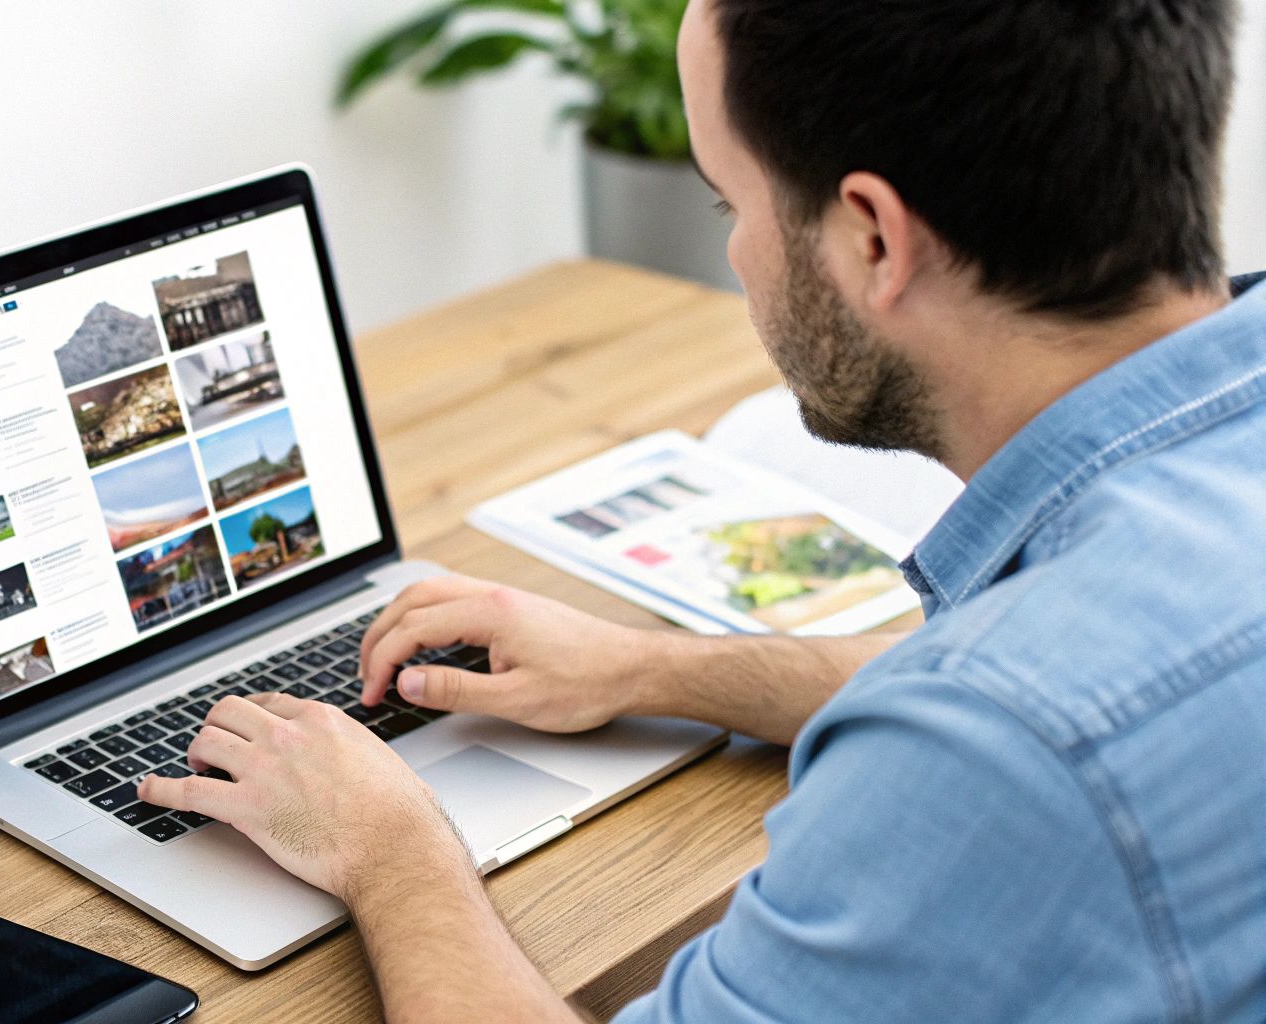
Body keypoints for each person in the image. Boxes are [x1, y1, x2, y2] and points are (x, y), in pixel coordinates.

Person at [139, 0, 1266, 1018]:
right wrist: (648, 669)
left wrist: (387, 848)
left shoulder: (992, 746)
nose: (731, 250)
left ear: (873, 237)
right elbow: (1085, 679)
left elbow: (1020, 723)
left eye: (730, 200)